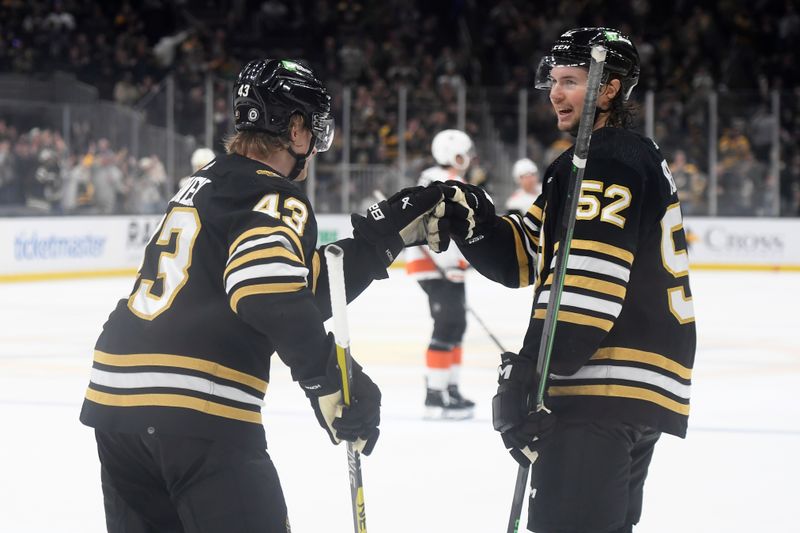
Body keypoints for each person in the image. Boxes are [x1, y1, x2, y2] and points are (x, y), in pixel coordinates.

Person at [79, 58, 445, 533]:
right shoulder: (275, 195)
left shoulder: (206, 183)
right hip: (196, 404)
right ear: (294, 129)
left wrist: (379, 244)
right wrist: (330, 377)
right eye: (313, 129)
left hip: (117, 404)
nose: (314, 143)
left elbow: (293, 289)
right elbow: (266, 294)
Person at [434, 28, 696, 532]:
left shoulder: (607, 158)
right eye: (553, 80)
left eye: (571, 80)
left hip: (601, 385)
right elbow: (523, 255)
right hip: (629, 390)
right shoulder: (587, 162)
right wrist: (462, 215)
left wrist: (532, 372)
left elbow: (588, 281)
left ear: (609, 88)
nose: (555, 92)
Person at [405, 129, 475, 419]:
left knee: (456, 326)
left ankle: (450, 388)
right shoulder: (445, 181)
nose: (470, 158)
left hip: (446, 267)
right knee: (447, 326)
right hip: (439, 268)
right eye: (465, 152)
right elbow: (436, 225)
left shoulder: (438, 179)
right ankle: (435, 395)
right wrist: (448, 264)